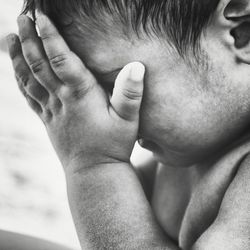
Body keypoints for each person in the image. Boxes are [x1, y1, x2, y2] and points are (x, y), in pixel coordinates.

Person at [5, 0, 250, 249]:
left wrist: (93, 164)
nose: (95, 117)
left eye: (114, 86)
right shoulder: (191, 153)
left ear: (242, 34)